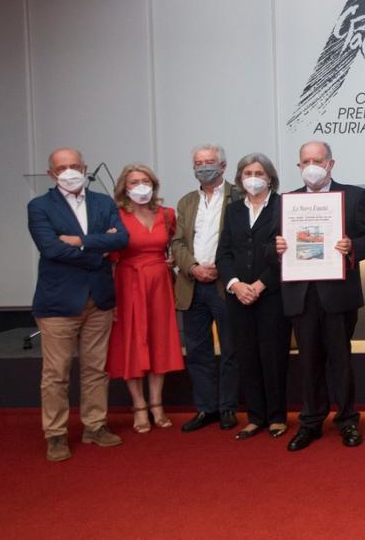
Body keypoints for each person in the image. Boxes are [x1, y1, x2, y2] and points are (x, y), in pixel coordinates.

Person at [27, 148, 129, 461]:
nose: (70, 171)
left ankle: (95, 425)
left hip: (98, 298)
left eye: (75, 166)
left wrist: (81, 241)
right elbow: (51, 248)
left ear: (84, 168)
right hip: (58, 302)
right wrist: (97, 248)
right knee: (56, 372)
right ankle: (55, 434)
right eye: (62, 167)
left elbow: (121, 239)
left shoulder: (103, 202)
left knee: (96, 369)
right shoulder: (40, 206)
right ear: (51, 174)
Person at [275, 141, 365, 452]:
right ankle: (310, 422)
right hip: (301, 294)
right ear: (298, 166)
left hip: (338, 294)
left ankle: (347, 420)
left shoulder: (354, 196)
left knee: (340, 359)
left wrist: (351, 246)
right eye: (305, 161)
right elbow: (269, 246)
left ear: (331, 164)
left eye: (317, 160)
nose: (312, 166)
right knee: (308, 361)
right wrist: (275, 248)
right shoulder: (285, 202)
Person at [216, 153, 290, 441]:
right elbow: (224, 253)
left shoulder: (283, 206)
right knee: (246, 356)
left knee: (273, 357)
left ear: (269, 177)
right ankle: (255, 417)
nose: (253, 177)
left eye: (259, 172)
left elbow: (288, 253)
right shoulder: (233, 209)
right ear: (239, 178)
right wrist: (235, 284)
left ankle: (277, 417)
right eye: (247, 172)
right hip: (238, 296)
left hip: (272, 295)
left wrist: (260, 285)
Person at [108, 164, 185, 433]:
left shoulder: (167, 214)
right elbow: (112, 260)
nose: (141, 186)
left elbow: (175, 245)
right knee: (132, 342)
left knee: (158, 340)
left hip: (160, 283)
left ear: (154, 185)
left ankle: (157, 403)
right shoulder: (115, 216)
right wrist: (113, 300)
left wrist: (174, 259)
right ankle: (138, 405)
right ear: (124, 188)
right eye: (134, 182)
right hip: (128, 282)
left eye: (145, 181)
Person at [171, 144, 239, 433]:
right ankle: (205, 408)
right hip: (191, 285)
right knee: (197, 351)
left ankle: (227, 408)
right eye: (198, 163)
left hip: (226, 285)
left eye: (209, 162)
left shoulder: (239, 195)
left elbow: (242, 241)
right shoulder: (186, 201)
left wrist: (218, 269)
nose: (203, 167)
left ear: (223, 166)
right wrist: (194, 268)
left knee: (231, 349)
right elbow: (177, 243)